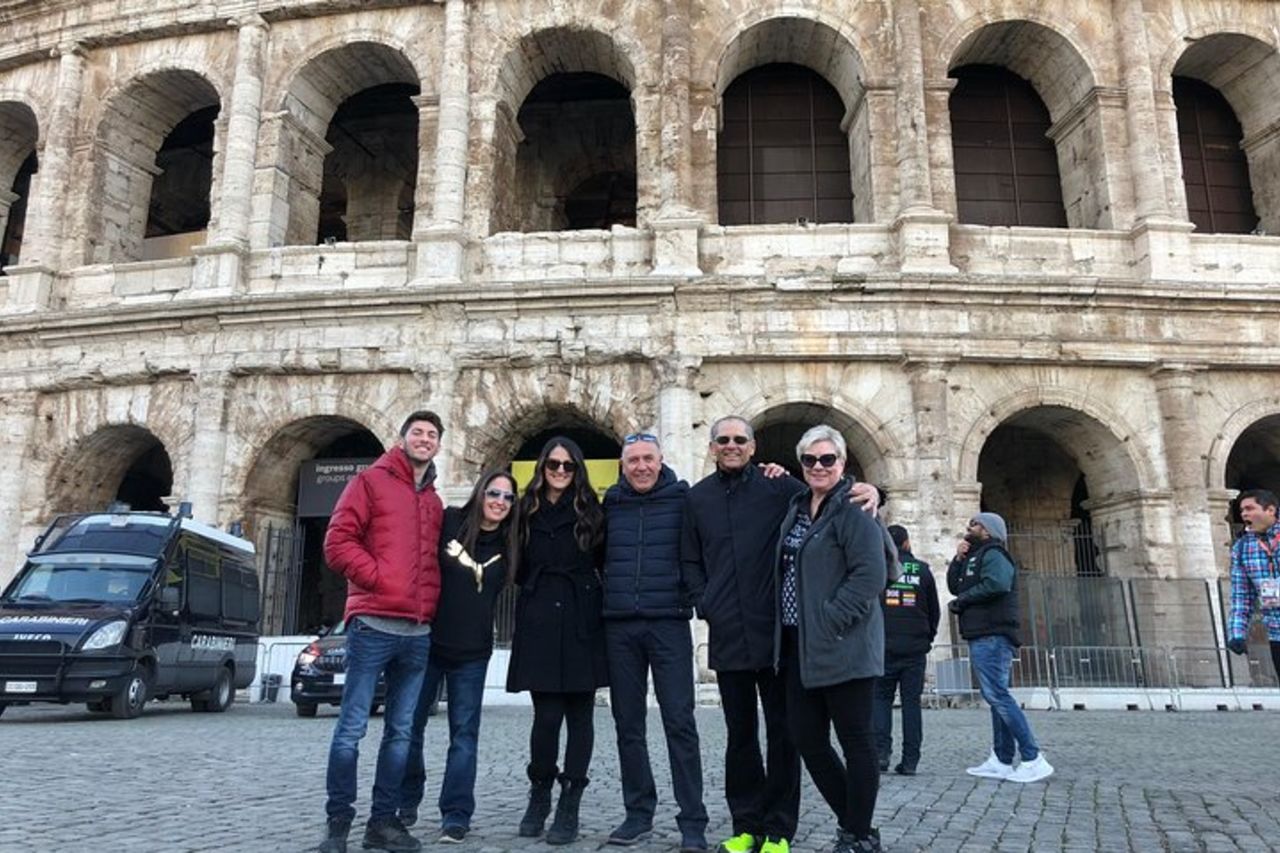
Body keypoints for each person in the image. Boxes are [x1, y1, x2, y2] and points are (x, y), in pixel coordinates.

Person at [317, 411, 446, 853]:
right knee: (351, 728)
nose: (424, 439)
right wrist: (376, 578)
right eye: (418, 432)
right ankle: (337, 826)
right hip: (372, 624)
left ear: (439, 445)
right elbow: (337, 542)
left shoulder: (434, 501)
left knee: (402, 734)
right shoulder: (369, 482)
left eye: (432, 435)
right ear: (402, 437)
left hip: (417, 633)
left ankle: (383, 824)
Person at [773, 425, 887, 853]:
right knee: (807, 738)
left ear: (842, 463)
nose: (818, 467)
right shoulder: (797, 507)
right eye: (810, 460)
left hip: (845, 643)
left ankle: (855, 834)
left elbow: (870, 575)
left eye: (828, 459)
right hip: (800, 646)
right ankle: (857, 824)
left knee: (857, 740)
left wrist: (831, 618)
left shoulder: (855, 508)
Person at [399, 469, 521, 843]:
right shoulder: (450, 520)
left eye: (507, 497)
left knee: (464, 735)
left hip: (473, 652)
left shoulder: (514, 542)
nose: (499, 501)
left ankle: (456, 813)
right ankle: (407, 794)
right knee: (408, 728)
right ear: (480, 492)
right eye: (494, 493)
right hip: (429, 643)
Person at [602, 432, 708, 852]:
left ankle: (693, 820)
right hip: (620, 626)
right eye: (633, 461)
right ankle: (638, 812)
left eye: (648, 459)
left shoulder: (686, 501)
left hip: (668, 623)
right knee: (628, 724)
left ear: (661, 460)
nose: (641, 467)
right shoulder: (610, 503)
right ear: (623, 465)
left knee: (679, 723)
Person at [505, 438, 610, 845]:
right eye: (554, 464)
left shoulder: (592, 511)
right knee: (546, 718)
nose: (561, 471)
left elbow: (605, 561)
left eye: (568, 465)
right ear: (542, 466)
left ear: (578, 469)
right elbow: (513, 561)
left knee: (581, 718)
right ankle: (540, 792)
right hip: (541, 618)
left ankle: (570, 801)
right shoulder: (524, 511)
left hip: (583, 616)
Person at [948, 512, 1053, 784]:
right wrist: (958, 560)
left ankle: (1032, 757)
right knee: (995, 697)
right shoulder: (975, 556)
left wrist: (964, 600)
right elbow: (954, 586)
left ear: (987, 529)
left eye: (974, 523)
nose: (968, 527)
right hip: (983, 632)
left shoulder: (995, 554)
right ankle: (1002, 759)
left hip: (993, 633)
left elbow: (997, 584)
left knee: (998, 695)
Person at [872, 524, 939, 776]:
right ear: (908, 543)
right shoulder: (922, 570)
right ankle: (910, 760)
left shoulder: (877, 568)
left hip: (883, 644)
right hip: (915, 647)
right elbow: (934, 609)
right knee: (912, 704)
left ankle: (881, 754)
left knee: (880, 700)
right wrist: (927, 637)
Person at [1226, 489, 1280, 679]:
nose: (1244, 514)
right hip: (1276, 632)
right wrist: (1237, 632)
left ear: (1270, 510)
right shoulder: (1241, 548)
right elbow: (1241, 595)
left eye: (1250, 508)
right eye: (1242, 511)